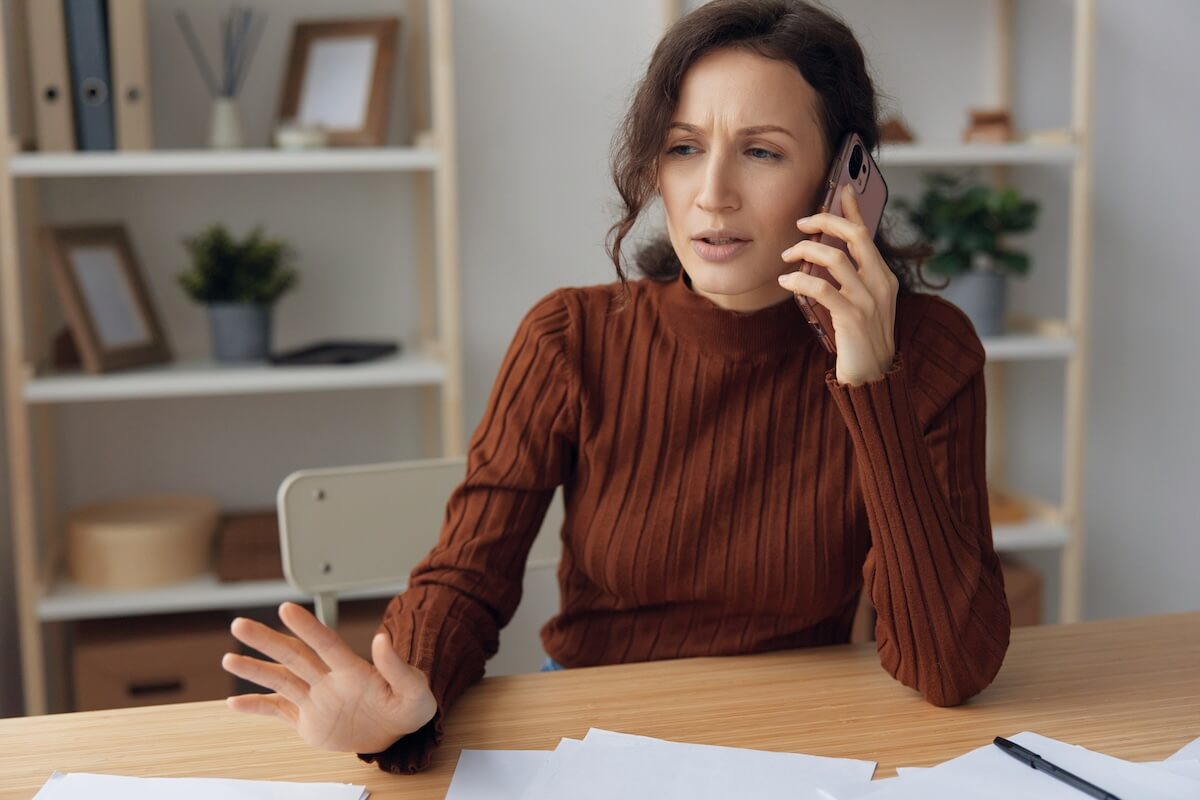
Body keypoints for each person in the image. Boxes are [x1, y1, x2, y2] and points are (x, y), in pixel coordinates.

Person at [221, 0, 1011, 775]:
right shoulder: (572, 337)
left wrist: (868, 377)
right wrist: (408, 691)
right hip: (593, 740)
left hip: (795, 743)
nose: (712, 194)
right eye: (683, 147)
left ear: (844, 178)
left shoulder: (928, 352)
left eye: (762, 152)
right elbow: (469, 573)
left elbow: (949, 667)